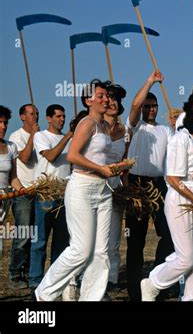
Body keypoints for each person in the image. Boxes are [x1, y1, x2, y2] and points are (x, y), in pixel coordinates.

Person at [140, 89, 193, 301]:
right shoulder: (181, 139)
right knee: (187, 258)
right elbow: (173, 179)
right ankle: (152, 284)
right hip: (183, 201)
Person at [35, 79, 118, 301]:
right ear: (88, 100)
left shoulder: (105, 126)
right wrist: (101, 168)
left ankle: (91, 299)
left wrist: (114, 168)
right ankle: (44, 294)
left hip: (104, 190)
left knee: (101, 252)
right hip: (82, 188)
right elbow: (72, 156)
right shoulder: (87, 123)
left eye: (106, 96)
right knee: (80, 250)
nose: (106, 99)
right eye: (100, 96)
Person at [125, 71, 174, 301]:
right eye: (147, 105)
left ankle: (156, 281)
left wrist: (179, 126)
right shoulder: (134, 127)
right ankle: (135, 289)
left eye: (154, 106)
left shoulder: (166, 131)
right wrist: (149, 81)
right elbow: (134, 105)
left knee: (168, 234)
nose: (151, 109)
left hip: (159, 184)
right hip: (136, 185)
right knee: (136, 239)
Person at [29, 104, 72, 298]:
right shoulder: (41, 136)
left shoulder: (68, 140)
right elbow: (52, 157)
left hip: (64, 195)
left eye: (63, 117)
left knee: (61, 244)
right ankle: (35, 282)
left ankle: (54, 282)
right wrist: (69, 136)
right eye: (58, 117)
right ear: (48, 118)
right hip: (45, 195)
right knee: (40, 242)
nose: (61, 120)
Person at [8, 104, 39, 288]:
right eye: (31, 114)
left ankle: (28, 271)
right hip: (22, 191)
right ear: (22, 117)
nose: (35, 116)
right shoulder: (16, 137)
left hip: (38, 191)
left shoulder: (40, 135)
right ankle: (15, 273)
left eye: (36, 113)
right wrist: (33, 136)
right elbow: (25, 158)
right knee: (23, 234)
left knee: (34, 235)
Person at [104, 83, 127, 293]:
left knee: (113, 238)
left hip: (115, 187)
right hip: (95, 185)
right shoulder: (94, 127)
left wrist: (127, 190)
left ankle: (111, 279)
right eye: (109, 98)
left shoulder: (124, 131)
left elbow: (127, 163)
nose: (112, 102)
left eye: (116, 99)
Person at [0, 106, 25, 255]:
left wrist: (22, 190)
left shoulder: (11, 147)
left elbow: (13, 178)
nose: (3, 127)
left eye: (5, 123)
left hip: (4, 198)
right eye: (0, 122)